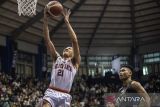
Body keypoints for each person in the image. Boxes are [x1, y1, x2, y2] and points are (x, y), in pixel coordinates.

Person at [42, 5, 81, 107]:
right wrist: (45, 20)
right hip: (51, 92)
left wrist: (67, 22)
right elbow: (47, 40)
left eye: (69, 48)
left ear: (73, 53)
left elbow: (74, 41)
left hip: (65, 95)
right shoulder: (57, 58)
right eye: (65, 48)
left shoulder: (75, 62)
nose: (66, 49)